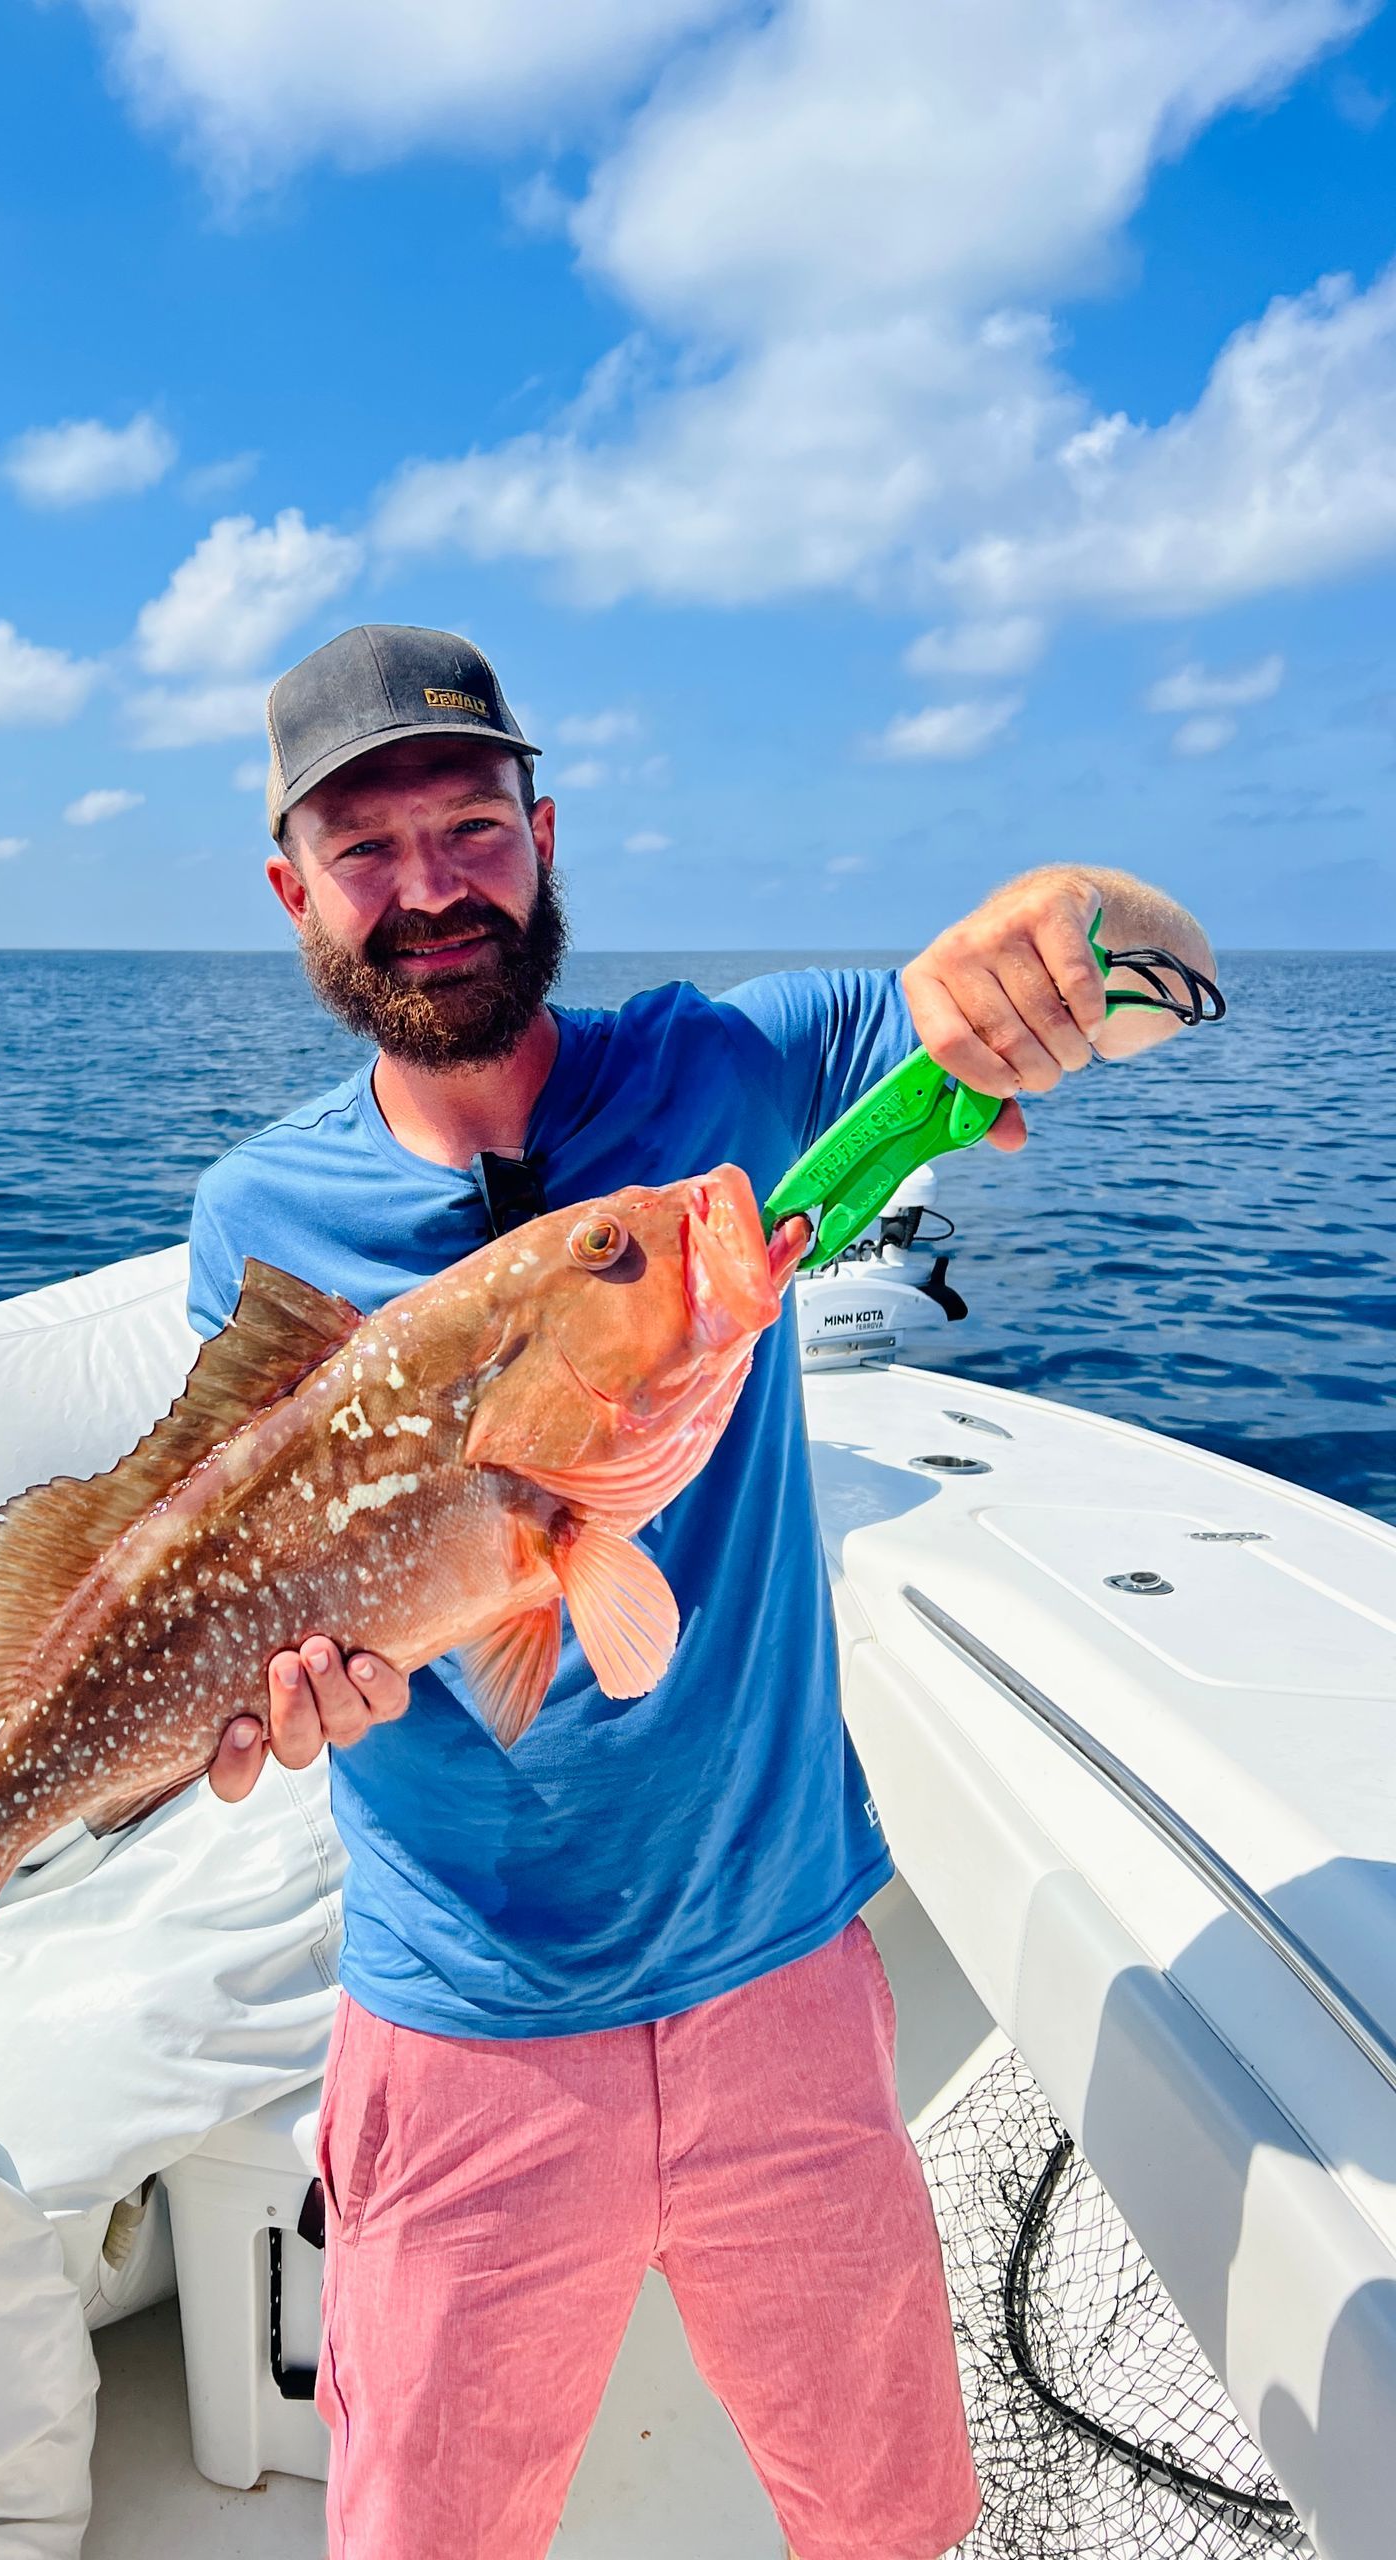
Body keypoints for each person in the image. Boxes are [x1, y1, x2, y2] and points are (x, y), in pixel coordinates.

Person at [189, 624, 1213, 2560]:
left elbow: (1125, 967)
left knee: (890, 2516)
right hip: (462, 2020)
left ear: (543, 832)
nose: (428, 887)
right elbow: (280, 1564)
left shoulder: (726, 1076)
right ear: (293, 892)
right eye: (364, 847)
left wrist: (1053, 921)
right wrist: (289, 1684)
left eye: (471, 824)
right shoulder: (259, 1223)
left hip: (784, 1984)